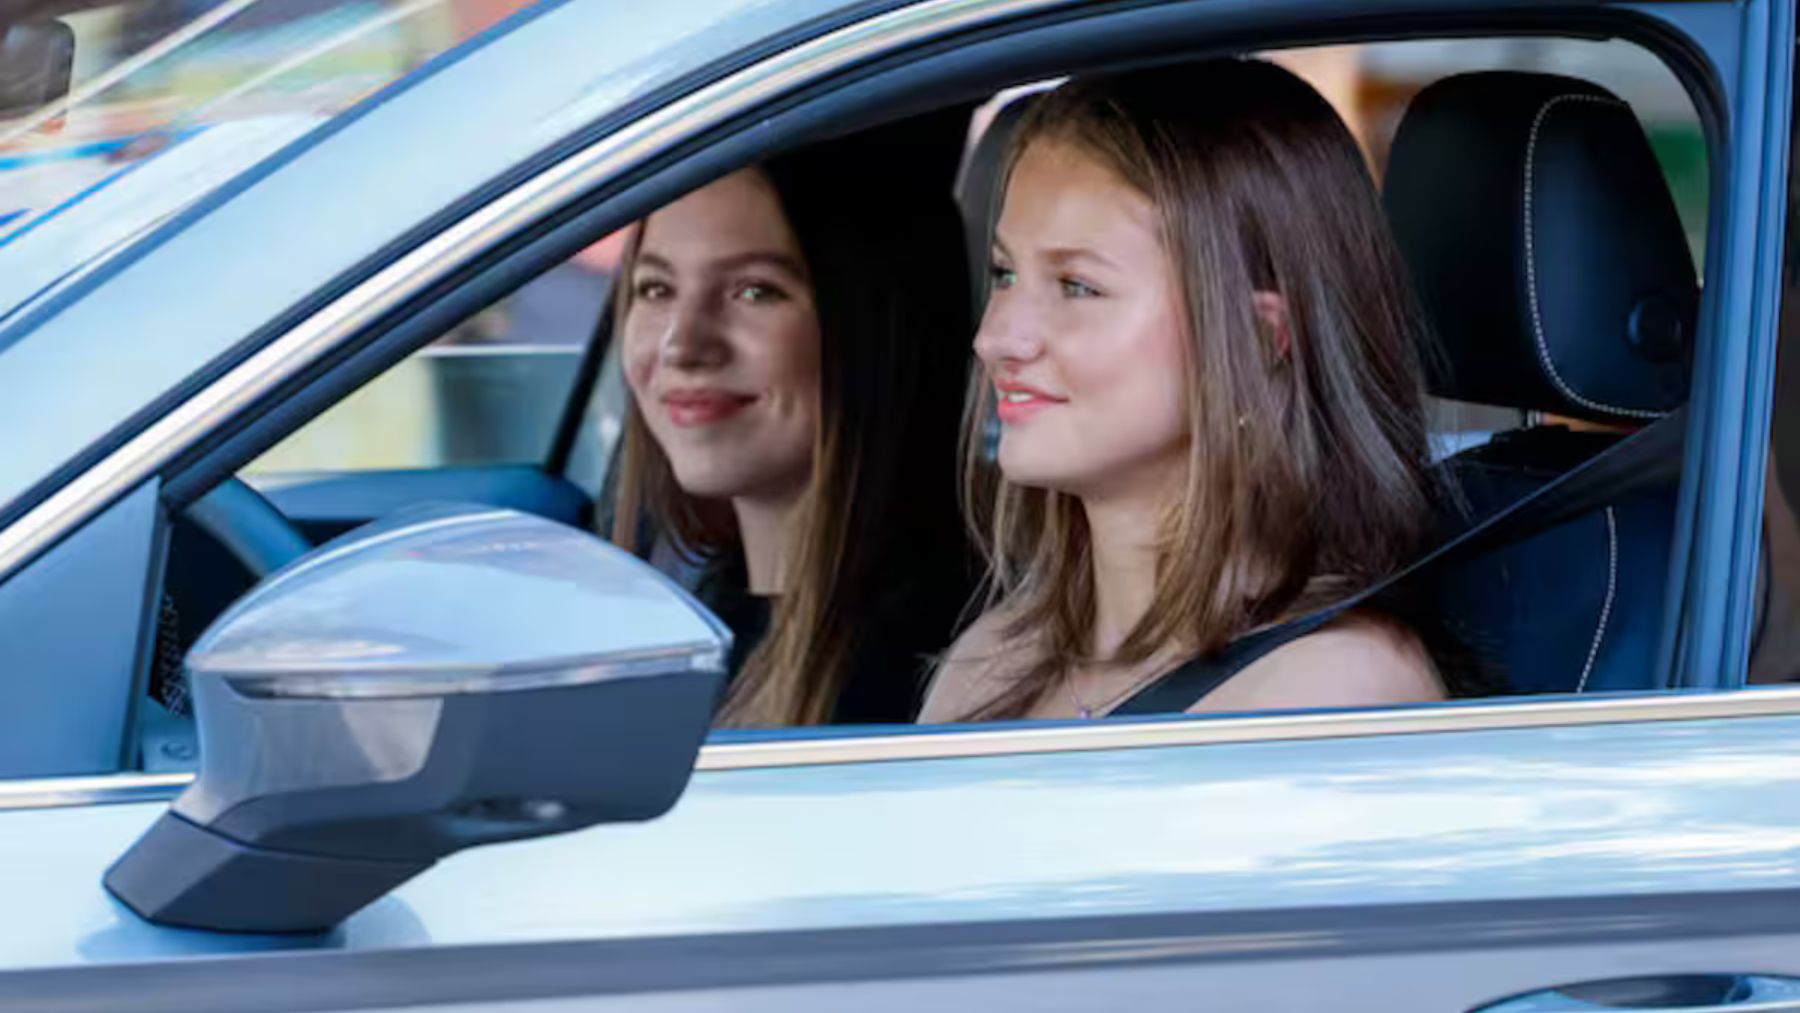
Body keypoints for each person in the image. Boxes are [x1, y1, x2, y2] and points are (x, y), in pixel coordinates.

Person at [922, 59, 1456, 722]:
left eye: (1078, 287)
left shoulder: (1333, 692)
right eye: (1004, 274)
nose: (996, 337)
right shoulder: (996, 657)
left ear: (1260, 343)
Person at [611, 129, 976, 727]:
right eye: (656, 288)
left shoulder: (922, 668)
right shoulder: (712, 601)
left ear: (877, 326)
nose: (683, 346)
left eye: (754, 291)